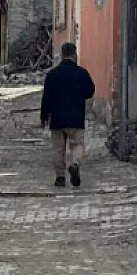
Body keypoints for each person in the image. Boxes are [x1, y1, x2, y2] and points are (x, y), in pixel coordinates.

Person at [39, 42, 97, 188]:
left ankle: (59, 177)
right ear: (74, 54)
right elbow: (90, 91)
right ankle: (75, 164)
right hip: (75, 116)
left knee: (58, 149)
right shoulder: (81, 73)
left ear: (62, 55)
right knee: (77, 144)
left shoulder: (52, 74)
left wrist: (44, 117)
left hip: (57, 118)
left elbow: (46, 97)